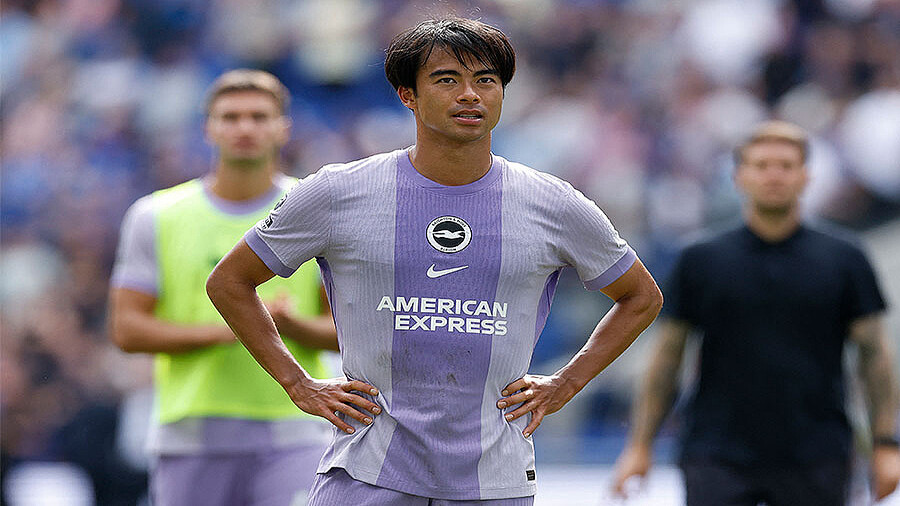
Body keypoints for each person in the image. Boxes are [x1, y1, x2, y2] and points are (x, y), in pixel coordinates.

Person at [206, 16, 662, 506]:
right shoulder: (338, 191)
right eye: (447, 80)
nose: (470, 94)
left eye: (485, 80)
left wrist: (566, 383)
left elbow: (641, 297)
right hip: (365, 473)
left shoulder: (553, 203)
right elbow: (230, 282)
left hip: (495, 481)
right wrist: (299, 385)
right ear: (408, 95)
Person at [612, 120, 900, 505]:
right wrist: (639, 445)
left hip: (817, 453)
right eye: (762, 165)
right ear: (739, 177)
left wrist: (885, 444)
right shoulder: (701, 259)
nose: (774, 175)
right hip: (716, 454)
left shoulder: (844, 259)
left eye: (785, 166)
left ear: (805, 176)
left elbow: (874, 355)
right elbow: (668, 357)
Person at [108, 69, 338, 505]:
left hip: (296, 426)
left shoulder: (316, 211)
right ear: (208, 128)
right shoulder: (157, 215)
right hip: (192, 430)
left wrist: (291, 325)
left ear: (283, 128)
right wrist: (234, 327)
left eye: (259, 116)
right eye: (230, 117)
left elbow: (350, 329)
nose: (244, 128)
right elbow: (127, 329)